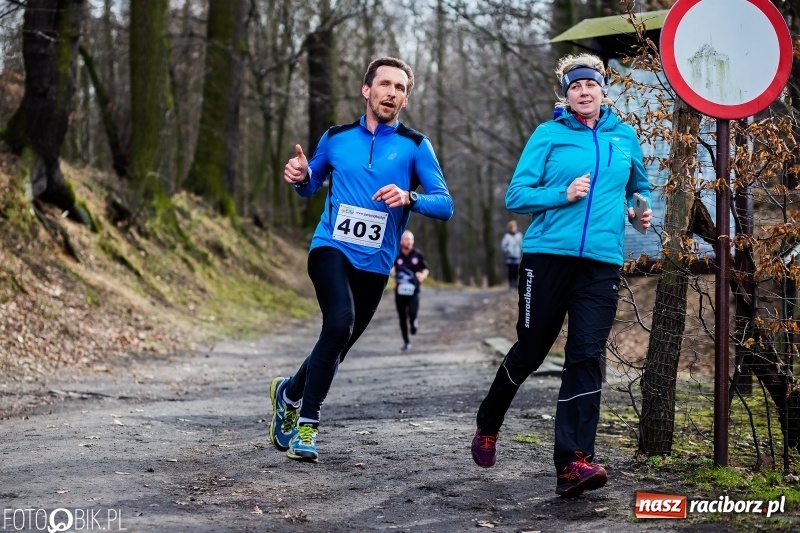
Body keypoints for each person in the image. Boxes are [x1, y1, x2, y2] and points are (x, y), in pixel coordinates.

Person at [470, 53, 652, 497]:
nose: (584, 92)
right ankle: (488, 422)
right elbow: (517, 196)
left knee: (586, 356)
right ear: (565, 94)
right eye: (575, 87)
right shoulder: (548, 134)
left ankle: (573, 461)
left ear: (603, 89)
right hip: (546, 257)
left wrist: (640, 210)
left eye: (590, 85)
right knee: (531, 349)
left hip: (601, 262)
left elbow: (639, 186)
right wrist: (563, 193)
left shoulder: (624, 137)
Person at [271, 57, 454, 463]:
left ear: (405, 98)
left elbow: (445, 205)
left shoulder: (415, 146)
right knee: (337, 323)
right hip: (330, 247)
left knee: (338, 343)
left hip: (375, 264)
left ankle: (289, 391)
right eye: (385, 84)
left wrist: (411, 197)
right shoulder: (336, 137)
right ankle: (307, 426)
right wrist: (301, 175)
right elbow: (311, 183)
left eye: (401, 88)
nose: (392, 92)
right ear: (366, 90)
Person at [393, 230, 429, 351]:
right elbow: (390, 266)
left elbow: (425, 269)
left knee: (412, 312)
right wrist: (391, 271)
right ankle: (406, 341)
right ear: (401, 241)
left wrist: (422, 275)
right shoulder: (396, 253)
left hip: (414, 289)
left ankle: (414, 321)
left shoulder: (417, 254)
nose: (408, 242)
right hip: (399, 290)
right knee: (402, 317)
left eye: (410, 239)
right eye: (406, 239)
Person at [501, 220, 523, 289]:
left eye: (515, 227)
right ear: (510, 228)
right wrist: (507, 251)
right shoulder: (506, 236)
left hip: (517, 255)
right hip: (509, 256)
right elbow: (503, 246)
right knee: (510, 270)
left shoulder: (519, 235)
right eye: (513, 227)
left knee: (516, 270)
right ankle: (511, 284)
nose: (514, 228)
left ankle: (515, 283)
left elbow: (521, 244)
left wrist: (521, 251)